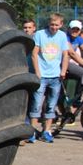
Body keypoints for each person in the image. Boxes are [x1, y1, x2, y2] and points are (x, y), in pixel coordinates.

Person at [29, 13, 69, 143]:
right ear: (48, 23)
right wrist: (37, 72)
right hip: (42, 75)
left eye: (57, 25)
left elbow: (65, 54)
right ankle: (32, 131)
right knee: (36, 104)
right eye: (52, 24)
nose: (54, 27)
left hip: (55, 76)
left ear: (61, 25)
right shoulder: (40, 34)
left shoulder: (62, 36)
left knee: (51, 105)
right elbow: (34, 54)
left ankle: (46, 131)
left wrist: (63, 70)